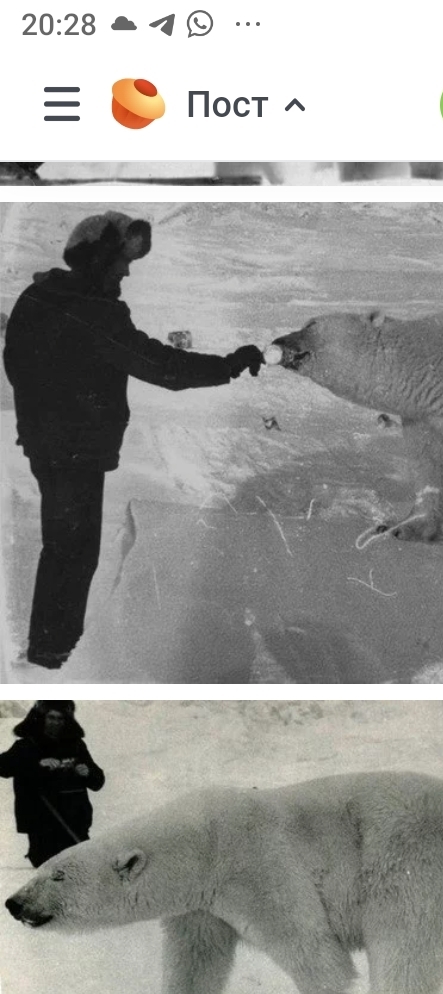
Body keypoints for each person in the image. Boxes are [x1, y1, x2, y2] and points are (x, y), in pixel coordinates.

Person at [2, 211, 265, 669]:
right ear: (100, 257)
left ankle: (51, 648)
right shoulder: (96, 312)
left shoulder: (39, 294)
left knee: (62, 548)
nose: (126, 272)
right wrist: (227, 365)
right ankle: (53, 655)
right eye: (122, 262)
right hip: (76, 450)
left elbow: (14, 362)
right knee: (74, 553)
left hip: (46, 445)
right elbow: (162, 366)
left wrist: (48, 409)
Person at [0, 701, 105, 867]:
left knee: (80, 870)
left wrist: (88, 772)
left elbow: (98, 782)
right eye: (51, 717)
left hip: (75, 823)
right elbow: (3, 767)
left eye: (61, 719)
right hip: (42, 825)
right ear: (41, 718)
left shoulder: (76, 746)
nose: (56, 722)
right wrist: (37, 765)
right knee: (49, 874)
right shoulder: (26, 746)